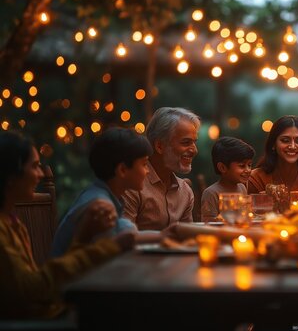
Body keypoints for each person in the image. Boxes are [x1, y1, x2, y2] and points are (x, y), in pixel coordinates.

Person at [0, 131, 134, 319]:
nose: (40, 174)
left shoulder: (13, 223)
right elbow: (32, 290)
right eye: (35, 167)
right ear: (11, 176)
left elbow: (41, 284)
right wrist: (109, 247)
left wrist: (84, 234)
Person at [51, 127, 152, 257]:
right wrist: (165, 236)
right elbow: (116, 247)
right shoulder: (99, 205)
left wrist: (166, 235)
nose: (148, 171)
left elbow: (125, 232)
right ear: (122, 170)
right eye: (144, 164)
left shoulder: (103, 196)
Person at [123, 107, 200, 231]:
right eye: (186, 142)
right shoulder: (132, 186)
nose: (195, 150)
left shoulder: (185, 192)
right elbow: (123, 238)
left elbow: (186, 239)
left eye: (194, 142)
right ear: (159, 146)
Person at [201, 136, 255, 220]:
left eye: (249, 165)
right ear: (222, 167)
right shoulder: (211, 193)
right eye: (242, 166)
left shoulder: (242, 188)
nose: (248, 170)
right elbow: (209, 224)